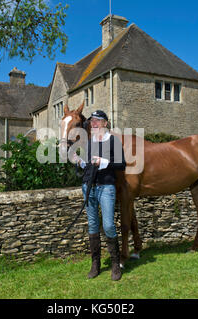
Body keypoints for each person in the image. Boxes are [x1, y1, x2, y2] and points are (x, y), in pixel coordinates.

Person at [73, 110, 126, 281]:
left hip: (106, 188)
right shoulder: (89, 143)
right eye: (92, 121)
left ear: (105, 123)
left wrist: (103, 162)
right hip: (88, 187)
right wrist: (80, 162)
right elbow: (89, 166)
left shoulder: (113, 140)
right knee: (93, 225)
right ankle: (95, 264)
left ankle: (115, 264)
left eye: (97, 121)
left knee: (109, 225)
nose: (93, 123)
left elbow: (122, 164)